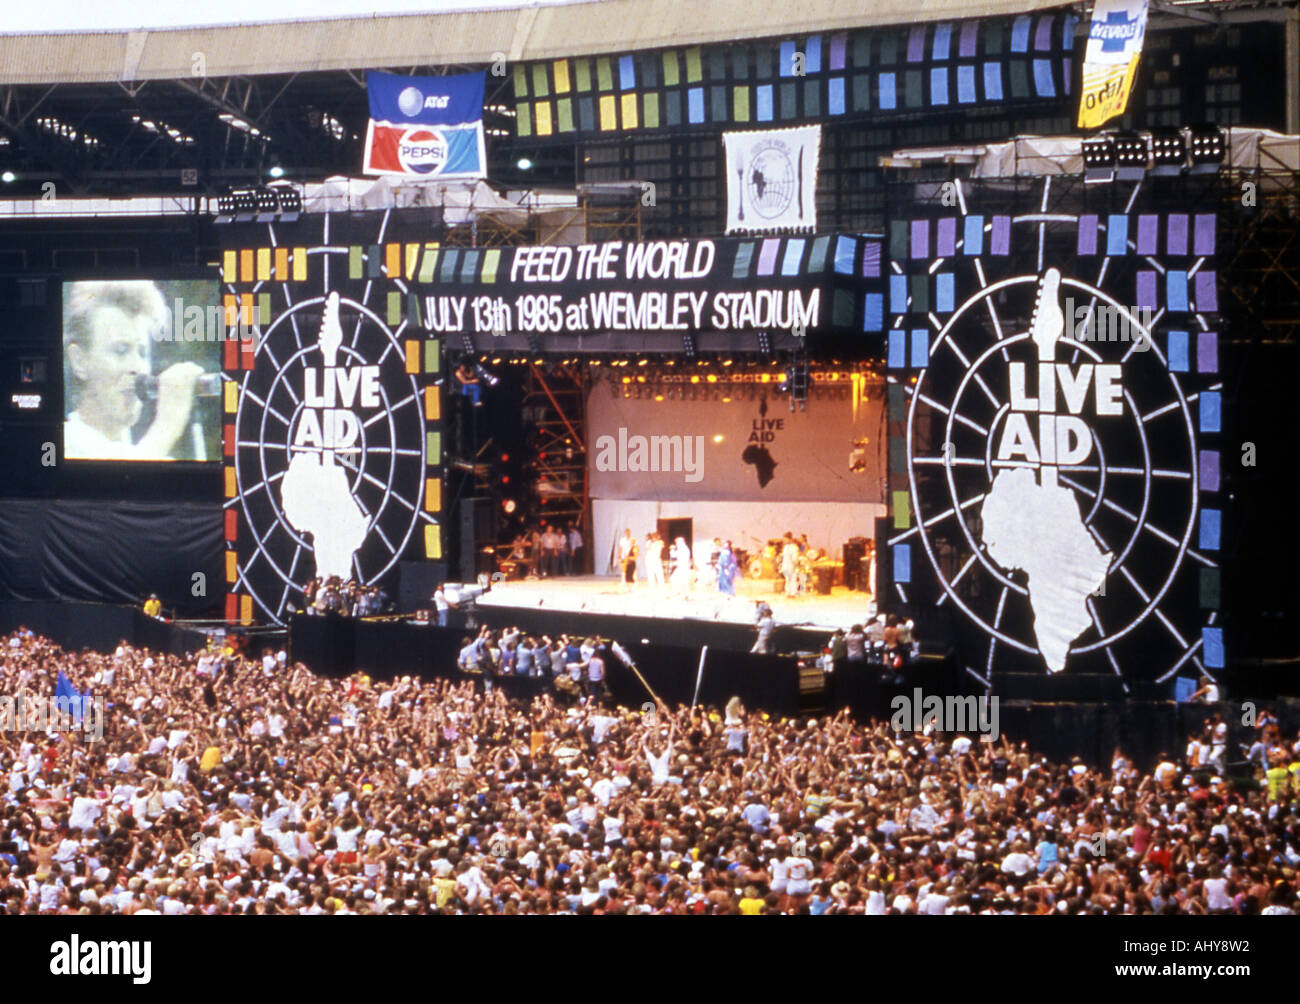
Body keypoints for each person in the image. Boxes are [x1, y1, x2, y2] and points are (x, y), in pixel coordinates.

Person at [63, 280, 203, 461]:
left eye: (143, 353)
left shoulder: (153, 456)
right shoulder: (62, 446)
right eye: (120, 351)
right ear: (79, 361)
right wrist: (167, 425)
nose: (138, 367)